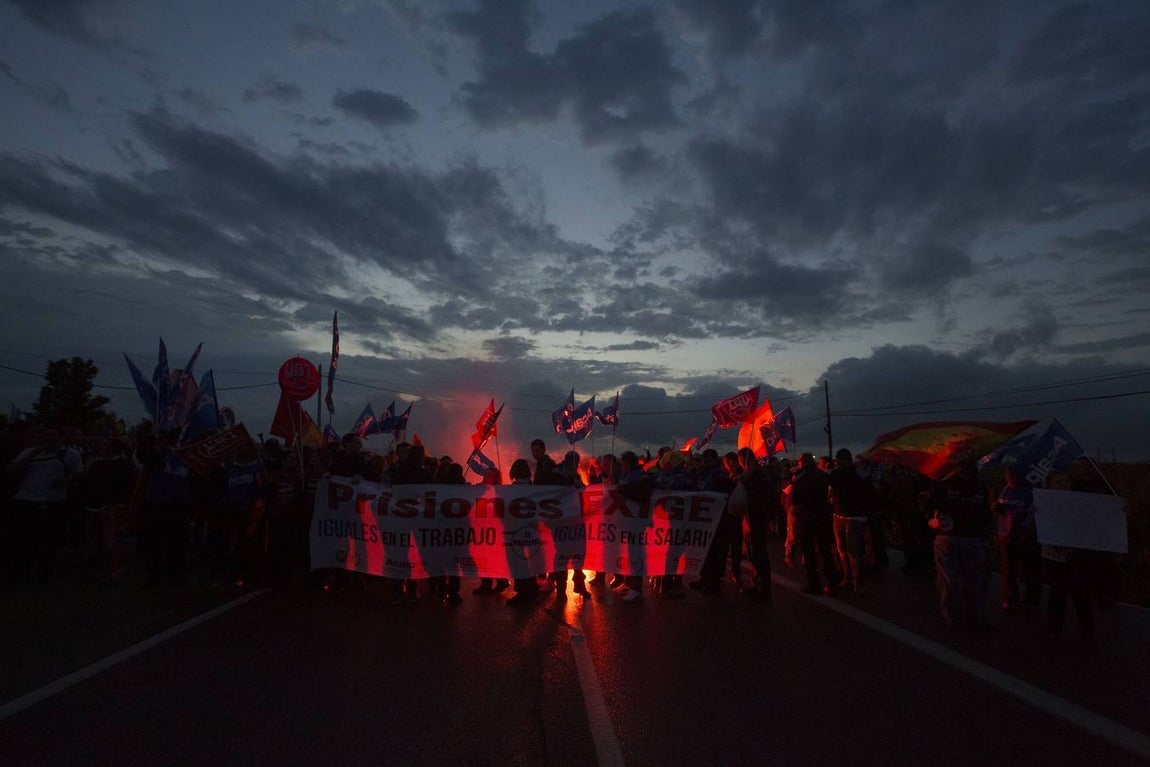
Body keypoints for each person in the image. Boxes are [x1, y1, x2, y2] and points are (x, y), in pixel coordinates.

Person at [5, 427, 85, 581]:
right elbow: (12, 470)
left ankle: (44, 570)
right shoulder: (30, 452)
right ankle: (19, 568)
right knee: (22, 537)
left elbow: (80, 475)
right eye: (44, 435)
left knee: (48, 538)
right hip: (25, 499)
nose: (47, 439)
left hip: (52, 501)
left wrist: (64, 481)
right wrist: (33, 454)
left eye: (51, 436)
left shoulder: (69, 454)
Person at [927, 460, 993, 630]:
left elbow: (930, 507)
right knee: (976, 580)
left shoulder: (942, 486)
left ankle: (953, 619)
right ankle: (979, 618)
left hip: (948, 537)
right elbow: (987, 513)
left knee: (949, 580)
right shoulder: (980, 487)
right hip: (974, 538)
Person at [790, 452, 838, 596]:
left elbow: (795, 499)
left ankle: (814, 585)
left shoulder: (800, 478)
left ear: (802, 462)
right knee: (825, 552)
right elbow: (830, 495)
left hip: (806, 518)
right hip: (823, 517)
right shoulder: (824, 476)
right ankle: (832, 583)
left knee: (809, 553)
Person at [994, 465, 1039, 612]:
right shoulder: (1002, 490)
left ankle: (1031, 600)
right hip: (1006, 537)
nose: (1011, 477)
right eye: (1008, 474)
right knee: (1009, 570)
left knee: (1031, 569)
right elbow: (996, 510)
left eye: (1014, 474)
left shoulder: (1030, 490)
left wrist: (1025, 531)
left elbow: (1034, 513)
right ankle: (1011, 599)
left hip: (1027, 536)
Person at [829, 448, 874, 595]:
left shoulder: (859, 475)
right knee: (842, 549)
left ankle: (857, 582)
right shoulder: (836, 474)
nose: (839, 463)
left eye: (841, 461)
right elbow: (830, 490)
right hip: (839, 515)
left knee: (853, 551)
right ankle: (848, 579)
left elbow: (870, 492)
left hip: (855, 517)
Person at [506, 459, 541, 606]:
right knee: (530, 559)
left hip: (517, 529)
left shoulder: (513, 489)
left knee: (518, 560)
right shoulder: (533, 487)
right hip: (532, 528)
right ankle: (532, 588)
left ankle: (522, 593)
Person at [473, 468, 510, 595]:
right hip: (481, 528)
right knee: (483, 557)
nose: (487, 476)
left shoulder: (499, 491)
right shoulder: (477, 488)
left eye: (491, 475)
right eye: (487, 473)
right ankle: (489, 583)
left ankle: (499, 581)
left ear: (496, 479)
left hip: (494, 528)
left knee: (492, 556)